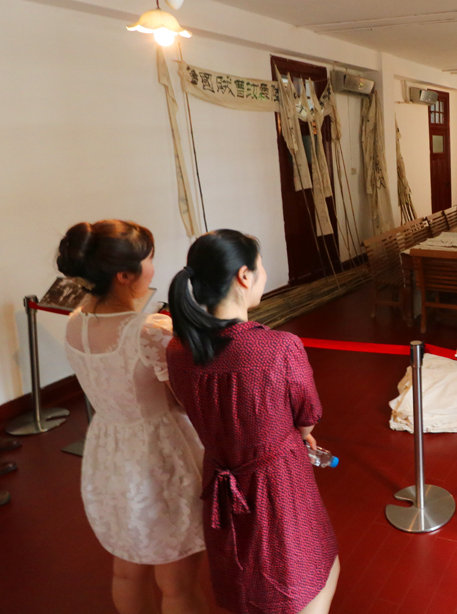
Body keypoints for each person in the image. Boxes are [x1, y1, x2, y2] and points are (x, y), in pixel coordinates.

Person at [166, 229, 339, 614]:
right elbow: (308, 414)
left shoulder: (178, 349)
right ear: (244, 276)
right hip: (277, 481)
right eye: (260, 268)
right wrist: (304, 434)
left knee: (242, 576)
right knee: (307, 575)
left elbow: (184, 402)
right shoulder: (279, 347)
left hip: (219, 477)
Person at [57, 220, 207, 614]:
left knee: (126, 571)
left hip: (109, 452)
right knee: (177, 584)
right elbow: (185, 399)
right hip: (160, 455)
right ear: (124, 275)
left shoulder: (75, 321)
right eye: (149, 260)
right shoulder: (149, 330)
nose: (153, 268)